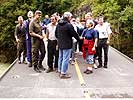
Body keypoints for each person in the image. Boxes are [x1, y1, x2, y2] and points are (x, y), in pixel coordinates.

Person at [55, 12, 80, 79]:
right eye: (70, 17)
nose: (71, 18)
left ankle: (60, 70)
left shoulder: (58, 24)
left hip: (60, 44)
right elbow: (74, 34)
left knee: (60, 58)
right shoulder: (69, 25)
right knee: (65, 59)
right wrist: (79, 39)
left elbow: (56, 35)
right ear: (68, 17)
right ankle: (63, 73)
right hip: (67, 44)